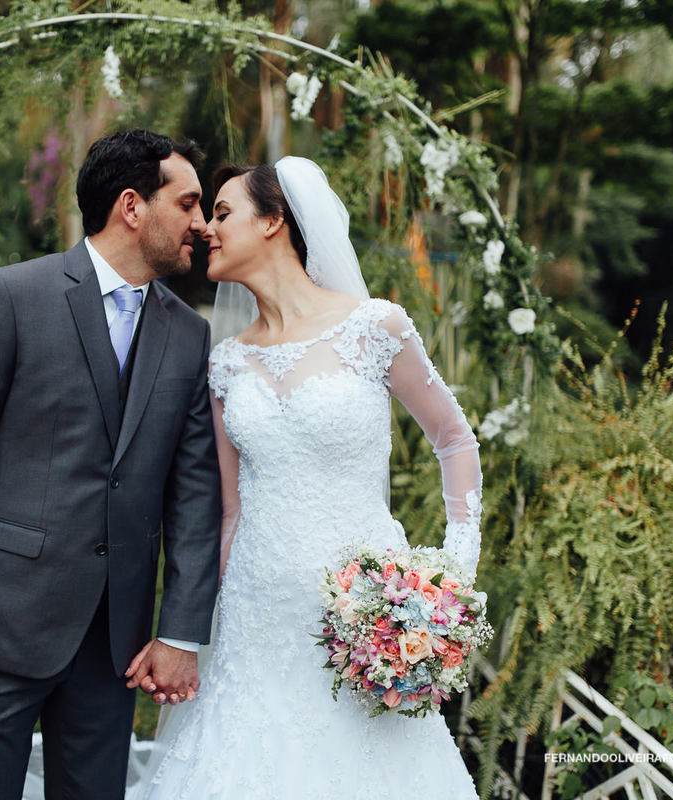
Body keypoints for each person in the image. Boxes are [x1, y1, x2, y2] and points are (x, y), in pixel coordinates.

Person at [133, 157, 484, 799]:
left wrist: (450, 579)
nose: (207, 228)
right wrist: (192, 630)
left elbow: (455, 440)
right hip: (254, 626)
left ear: (273, 221)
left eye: (223, 213)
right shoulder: (226, 363)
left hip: (361, 620)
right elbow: (229, 512)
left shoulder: (375, 327)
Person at [0, 129, 222, 800]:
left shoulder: (189, 334)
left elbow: (195, 497)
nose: (202, 223)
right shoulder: (9, 297)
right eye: (188, 203)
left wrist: (179, 632)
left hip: (114, 646)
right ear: (132, 206)